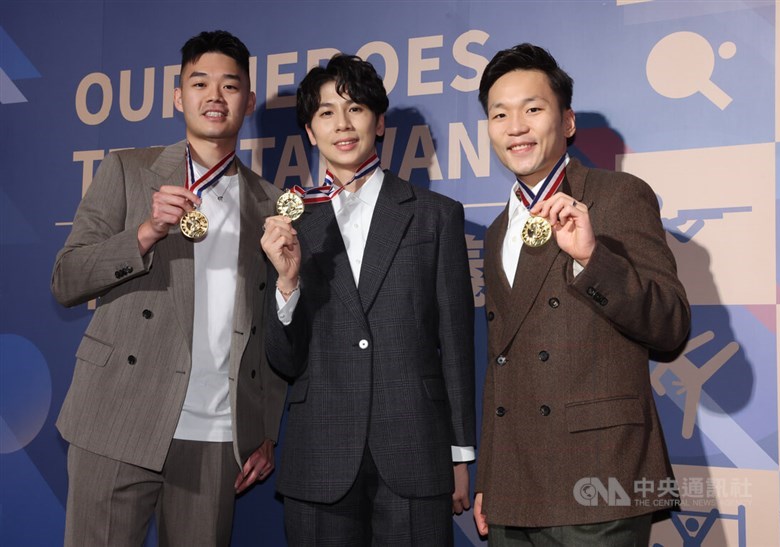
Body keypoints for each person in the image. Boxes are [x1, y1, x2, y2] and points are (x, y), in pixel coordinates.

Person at [51, 30, 287, 546]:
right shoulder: (128, 171)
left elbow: (270, 328)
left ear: (247, 100)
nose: (214, 96)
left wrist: (264, 429)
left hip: (216, 435)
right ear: (178, 96)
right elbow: (66, 279)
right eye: (199, 83)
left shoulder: (268, 202)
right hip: (118, 415)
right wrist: (144, 234)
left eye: (230, 85)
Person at [472, 43, 690, 545]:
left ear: (567, 121)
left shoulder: (618, 195)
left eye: (533, 109)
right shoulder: (496, 229)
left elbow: (671, 324)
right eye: (499, 113)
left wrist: (593, 259)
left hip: (599, 476)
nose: (516, 126)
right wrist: (490, 479)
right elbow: (501, 364)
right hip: (515, 486)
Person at [260, 54, 476, 546]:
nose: (343, 124)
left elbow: (456, 345)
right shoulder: (287, 224)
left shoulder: (434, 216)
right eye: (326, 112)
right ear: (310, 132)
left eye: (355, 109)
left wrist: (461, 455)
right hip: (319, 454)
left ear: (378, 122)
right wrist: (287, 285)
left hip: (415, 450)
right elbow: (282, 359)